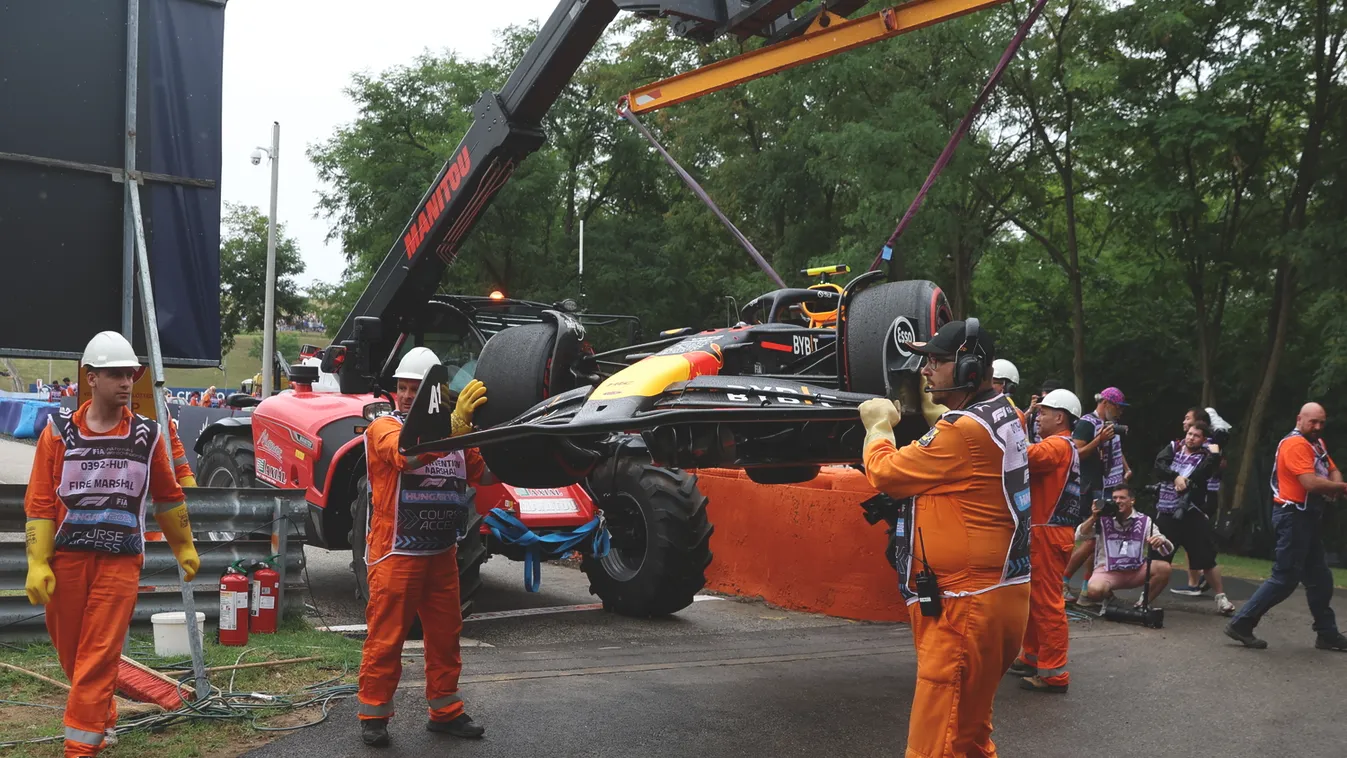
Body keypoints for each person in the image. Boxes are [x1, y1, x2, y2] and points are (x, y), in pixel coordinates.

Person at [858, 319, 1030, 757]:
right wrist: (943, 414)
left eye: (938, 360)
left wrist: (878, 427)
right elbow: (965, 455)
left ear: (971, 368)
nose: (926, 369)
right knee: (968, 735)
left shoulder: (961, 433)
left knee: (934, 742)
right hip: (997, 595)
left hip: (965, 605)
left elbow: (886, 474)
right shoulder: (1007, 412)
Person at [23, 331, 199, 758]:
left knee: (99, 656)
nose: (126, 382)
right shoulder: (58, 432)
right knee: (73, 655)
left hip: (120, 563)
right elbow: (41, 500)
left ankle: (80, 749)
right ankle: (103, 715)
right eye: (116, 374)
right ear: (91, 378)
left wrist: (185, 546)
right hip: (66, 559)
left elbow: (169, 494)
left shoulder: (149, 436)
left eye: (129, 374)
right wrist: (36, 562)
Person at [357, 347, 493, 747]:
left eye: (414, 389)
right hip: (396, 553)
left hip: (441, 554)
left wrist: (527, 449)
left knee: (446, 635)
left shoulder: (458, 435)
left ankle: (445, 711)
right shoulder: (382, 425)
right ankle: (374, 714)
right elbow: (407, 454)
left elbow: (483, 473)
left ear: (434, 393)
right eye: (401, 387)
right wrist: (455, 425)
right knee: (386, 637)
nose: (405, 396)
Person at [1225, 403, 1347, 651]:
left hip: (1307, 518)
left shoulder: (1316, 444)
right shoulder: (1294, 444)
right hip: (1293, 516)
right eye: (1313, 422)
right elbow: (1311, 483)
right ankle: (1242, 623)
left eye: (1322, 422)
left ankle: (1327, 633)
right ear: (1299, 419)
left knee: (1321, 578)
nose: (1318, 427)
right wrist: (1341, 488)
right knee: (1285, 578)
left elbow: (1333, 470)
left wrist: (1337, 484)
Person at [1010, 388, 1085, 694]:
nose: (1038, 417)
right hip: (1048, 531)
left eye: (1043, 413)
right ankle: (1032, 656)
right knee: (1035, 599)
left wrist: (1013, 423)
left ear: (1060, 416)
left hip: (1047, 533)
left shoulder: (1056, 445)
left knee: (1046, 603)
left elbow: (1024, 456)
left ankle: (1053, 674)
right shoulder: (1064, 445)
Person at [1152, 422, 1235, 614]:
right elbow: (1159, 464)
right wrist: (1175, 477)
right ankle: (1146, 598)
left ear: (1203, 439)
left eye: (1196, 435)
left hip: (1192, 512)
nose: (1191, 438)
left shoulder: (1208, 455)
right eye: (1189, 434)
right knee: (1158, 558)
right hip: (1167, 511)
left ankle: (1221, 598)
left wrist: (1215, 454)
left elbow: (1202, 474)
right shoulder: (1174, 447)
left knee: (1206, 558)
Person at [1062, 387, 1131, 604]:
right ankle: (1062, 581)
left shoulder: (1109, 426)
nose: (1120, 412)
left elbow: (1116, 448)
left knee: (1100, 538)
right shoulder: (1087, 423)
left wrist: (1125, 468)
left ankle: (1087, 588)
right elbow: (1076, 453)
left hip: (1109, 485)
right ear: (1106, 403)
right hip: (1090, 487)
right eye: (1117, 407)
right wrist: (1098, 441)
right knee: (1092, 539)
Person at [1075, 485, 1173, 605]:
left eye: (1122, 498)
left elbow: (1166, 551)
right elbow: (1079, 536)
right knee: (1093, 591)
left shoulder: (1144, 520)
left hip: (1135, 569)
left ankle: (1142, 604)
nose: (1117, 501)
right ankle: (1111, 600)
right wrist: (1093, 517)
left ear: (1132, 501)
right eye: (1115, 498)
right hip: (1108, 571)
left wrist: (1161, 540)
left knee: (1164, 568)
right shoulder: (1103, 519)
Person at [1026, 378, 1065, 444]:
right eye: (1043, 397)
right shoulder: (1033, 412)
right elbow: (1016, 426)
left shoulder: (1064, 412)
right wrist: (1030, 411)